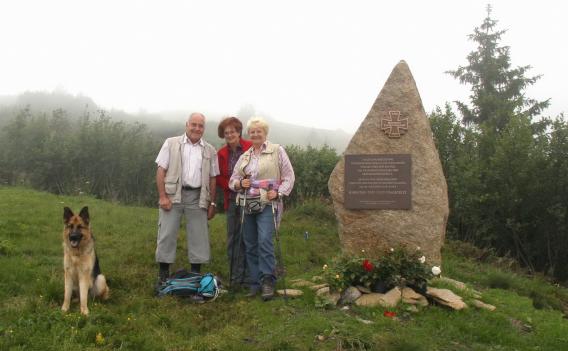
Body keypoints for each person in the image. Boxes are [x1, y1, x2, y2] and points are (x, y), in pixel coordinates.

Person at [229, 117, 295, 300]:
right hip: (247, 203)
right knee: (250, 243)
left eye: (259, 131)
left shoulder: (277, 151)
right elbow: (232, 181)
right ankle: (255, 282)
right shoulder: (245, 156)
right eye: (252, 131)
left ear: (265, 133)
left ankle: (268, 281)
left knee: (265, 240)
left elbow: (289, 176)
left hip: (268, 202)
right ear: (248, 134)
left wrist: (279, 193)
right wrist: (240, 183)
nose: (255, 134)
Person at [154, 112, 219, 287]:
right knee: (167, 233)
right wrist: (162, 196)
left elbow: (213, 178)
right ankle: (163, 274)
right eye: (194, 124)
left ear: (204, 128)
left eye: (201, 126)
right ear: (187, 125)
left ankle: (195, 275)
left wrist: (212, 202)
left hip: (198, 196)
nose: (197, 128)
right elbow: (161, 170)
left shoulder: (210, 150)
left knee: (199, 234)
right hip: (173, 194)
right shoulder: (171, 143)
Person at [216, 117, 253, 289]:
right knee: (233, 238)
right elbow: (220, 178)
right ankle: (235, 277)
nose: (230, 134)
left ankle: (250, 276)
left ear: (239, 132)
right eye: (226, 132)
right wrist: (234, 187)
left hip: (251, 199)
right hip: (232, 200)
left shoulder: (250, 147)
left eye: (233, 131)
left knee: (249, 237)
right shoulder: (221, 154)